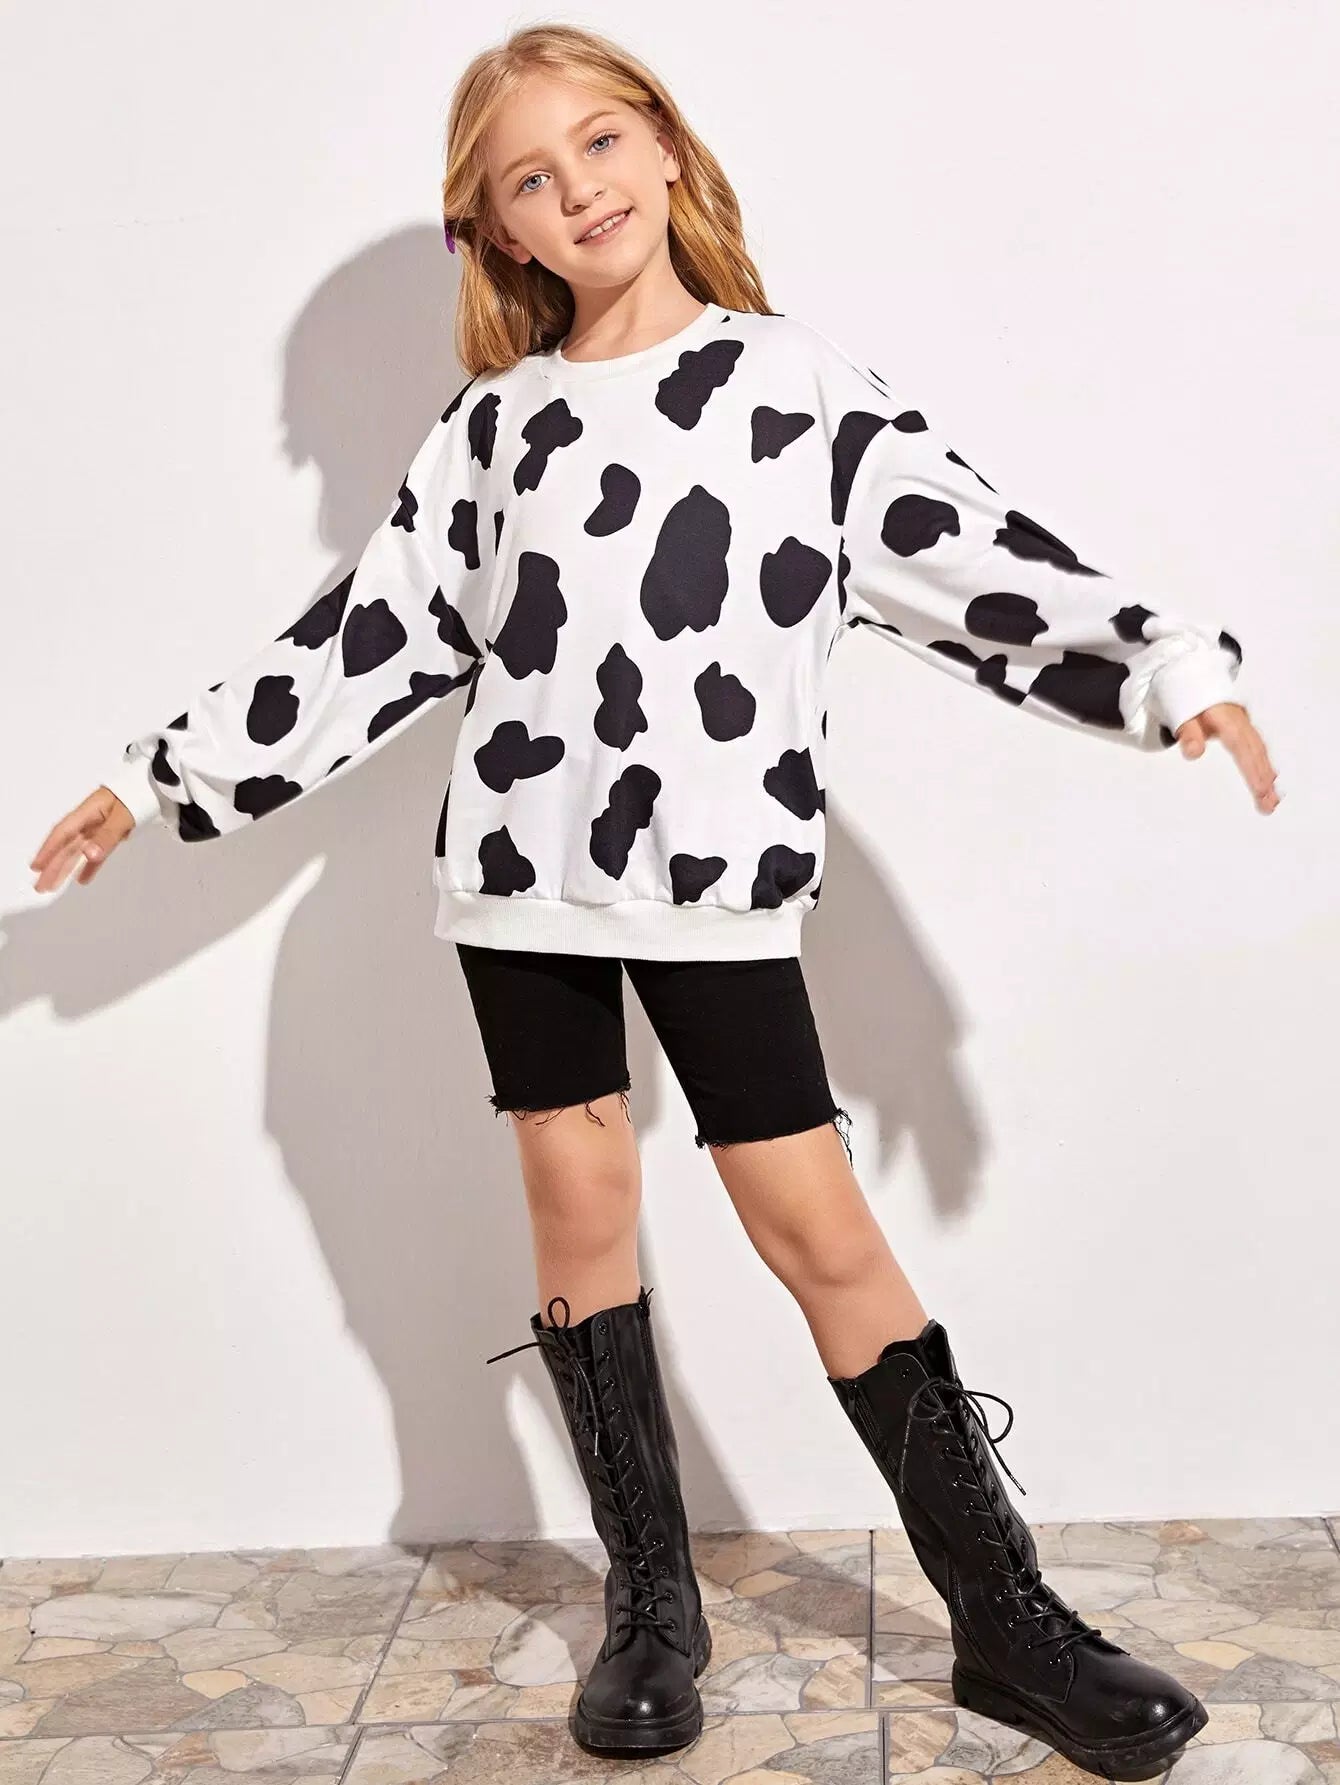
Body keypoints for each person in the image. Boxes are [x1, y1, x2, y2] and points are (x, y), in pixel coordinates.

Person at [29, 19, 1280, 1775]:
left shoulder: (792, 391)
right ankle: (652, 1602)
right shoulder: (494, 431)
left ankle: (1007, 1617)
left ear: (668, 147)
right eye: (531, 179)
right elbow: (367, 638)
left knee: (811, 1221)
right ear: (499, 229)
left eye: (601, 144)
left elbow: (974, 555)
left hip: (716, 881)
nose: (581, 190)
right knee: (578, 1201)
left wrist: (1163, 668)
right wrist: (159, 776)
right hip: (518, 875)